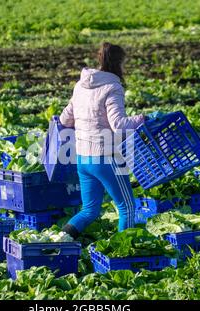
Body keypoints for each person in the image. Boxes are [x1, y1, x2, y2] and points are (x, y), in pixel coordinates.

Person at [59, 42, 145, 238]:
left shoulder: (80, 85)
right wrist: (141, 119)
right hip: (106, 157)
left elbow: (65, 119)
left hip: (83, 159)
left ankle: (59, 242)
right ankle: (126, 254)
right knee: (127, 208)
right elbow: (119, 125)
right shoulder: (112, 87)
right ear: (119, 64)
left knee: (89, 211)